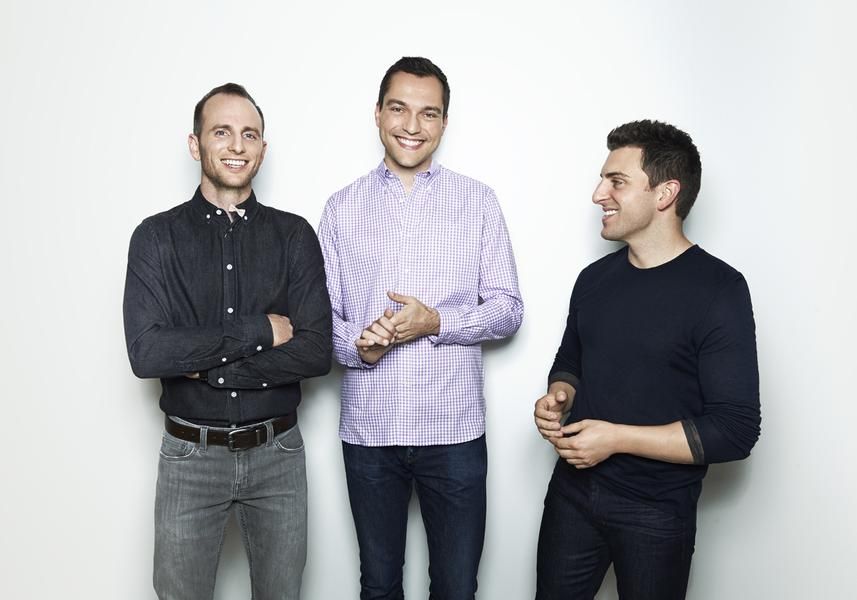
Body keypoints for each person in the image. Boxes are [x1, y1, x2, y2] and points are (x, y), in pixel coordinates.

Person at [318, 57, 523, 600]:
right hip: (370, 432)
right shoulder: (340, 209)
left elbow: (508, 308)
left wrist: (438, 322)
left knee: (456, 589)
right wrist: (359, 347)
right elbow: (322, 323)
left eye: (428, 113)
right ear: (377, 114)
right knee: (379, 586)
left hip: (453, 431)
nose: (412, 125)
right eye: (399, 109)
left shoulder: (478, 202)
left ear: (445, 122)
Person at [533, 120, 761, 600]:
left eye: (616, 181)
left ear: (665, 194)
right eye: (602, 179)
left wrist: (615, 439)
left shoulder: (720, 290)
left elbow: (735, 430)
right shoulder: (593, 279)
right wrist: (559, 396)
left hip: (657, 510)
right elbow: (571, 359)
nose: (598, 194)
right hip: (571, 494)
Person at [123, 83, 332, 600]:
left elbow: (316, 351)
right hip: (189, 456)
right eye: (222, 132)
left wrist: (206, 366)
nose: (237, 145)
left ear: (263, 148)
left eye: (249, 135)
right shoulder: (155, 238)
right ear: (195, 145)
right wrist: (260, 332)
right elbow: (148, 353)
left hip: (278, 455)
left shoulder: (295, 236)